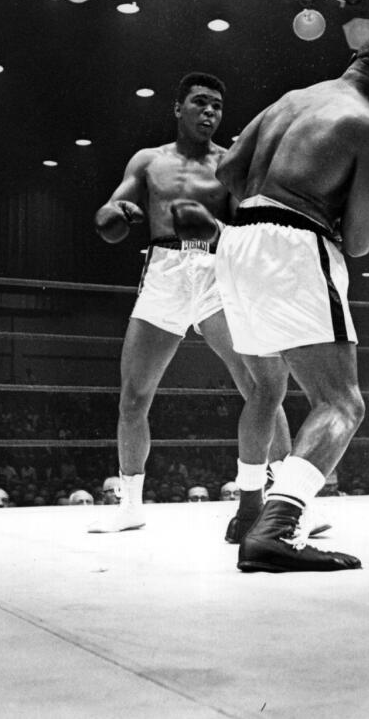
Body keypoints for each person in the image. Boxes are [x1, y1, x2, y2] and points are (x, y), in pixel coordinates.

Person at [212, 32, 369, 572]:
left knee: (265, 390)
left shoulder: (291, 99)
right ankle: (277, 529)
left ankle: (249, 508)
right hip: (292, 242)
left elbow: (228, 168)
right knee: (342, 402)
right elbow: (364, 236)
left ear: (354, 62)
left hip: (236, 242)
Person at [89, 72, 293, 536]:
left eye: (217, 106)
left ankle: (284, 501)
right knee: (134, 395)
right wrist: (115, 216)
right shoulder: (149, 161)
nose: (210, 112)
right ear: (177, 107)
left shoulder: (229, 163)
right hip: (164, 272)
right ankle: (131, 504)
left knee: (261, 384)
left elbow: (252, 227)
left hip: (218, 271)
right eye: (200, 103)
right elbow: (107, 212)